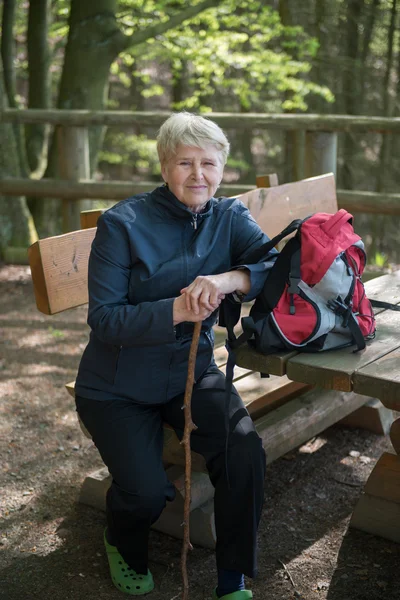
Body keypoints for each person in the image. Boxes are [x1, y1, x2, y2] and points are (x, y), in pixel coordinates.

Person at [74, 112, 277, 599]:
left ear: (222, 169)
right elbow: (104, 319)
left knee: (244, 450)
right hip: (116, 385)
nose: (198, 175)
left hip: (192, 371)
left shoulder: (229, 217)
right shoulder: (122, 224)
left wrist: (227, 280)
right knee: (145, 493)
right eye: (184, 163)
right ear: (164, 168)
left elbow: (272, 263)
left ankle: (233, 578)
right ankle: (121, 541)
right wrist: (178, 309)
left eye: (208, 163)